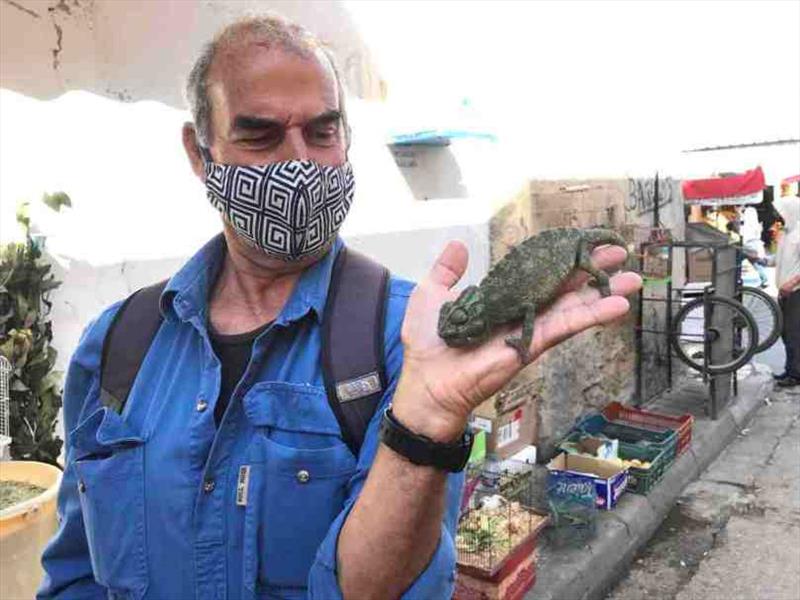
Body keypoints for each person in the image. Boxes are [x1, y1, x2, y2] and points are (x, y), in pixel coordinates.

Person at [38, 15, 640, 600]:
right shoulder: (118, 345)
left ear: (346, 140)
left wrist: (425, 425)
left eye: (321, 132)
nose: (298, 161)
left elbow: (378, 589)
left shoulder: (408, 337)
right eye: (261, 134)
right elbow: (75, 573)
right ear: (201, 153)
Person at [773, 191, 800, 388]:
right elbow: (780, 261)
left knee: (793, 334)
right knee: (785, 333)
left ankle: (796, 374)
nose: (780, 216)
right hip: (784, 293)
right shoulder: (787, 233)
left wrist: (791, 284)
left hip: (796, 293)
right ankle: (789, 369)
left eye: (783, 212)